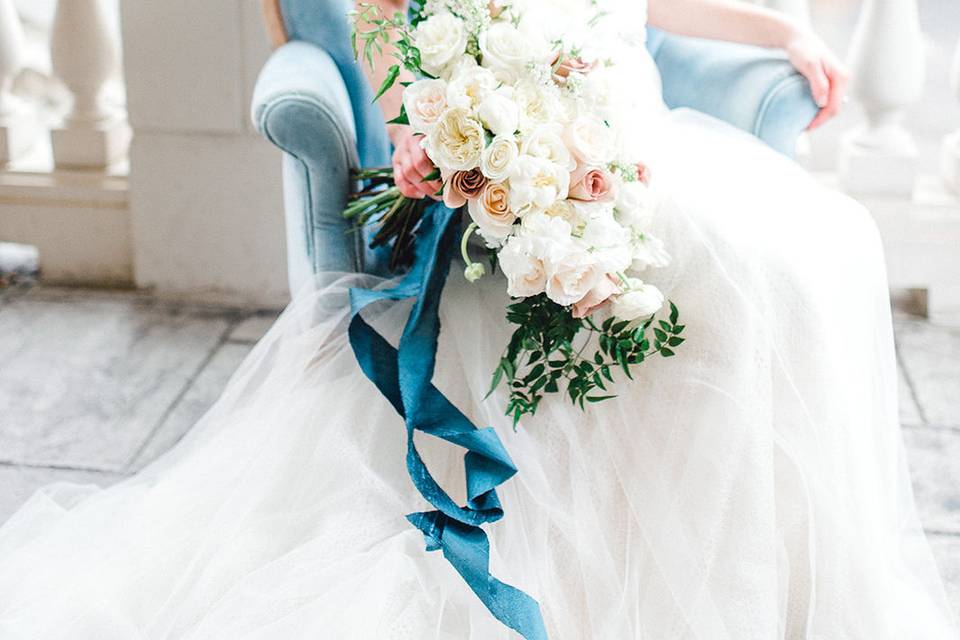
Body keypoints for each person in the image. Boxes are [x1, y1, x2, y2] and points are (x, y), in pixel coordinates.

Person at [0, 0, 954, 638]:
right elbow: (384, 36)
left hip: (643, 149)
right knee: (721, 269)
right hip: (508, 181)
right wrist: (456, 140)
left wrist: (777, 26)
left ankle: (743, 584)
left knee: (809, 254)